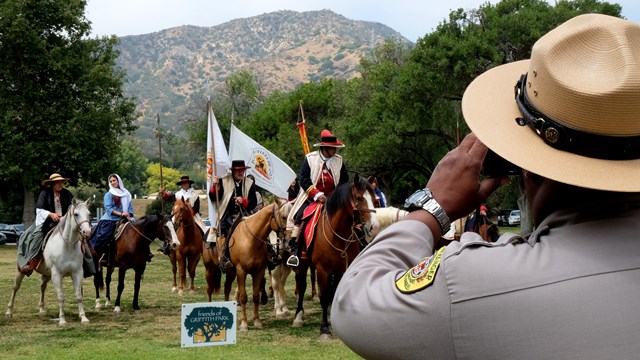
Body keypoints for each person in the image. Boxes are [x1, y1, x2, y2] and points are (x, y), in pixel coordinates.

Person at [331, 14, 640, 359]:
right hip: (323, 193)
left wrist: (432, 205)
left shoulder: (469, 278)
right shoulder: (315, 161)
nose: (331, 151)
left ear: (528, 164)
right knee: (303, 213)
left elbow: (353, 303)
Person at [286, 129, 349, 267]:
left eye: (336, 148)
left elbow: (344, 181)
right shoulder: (310, 159)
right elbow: (304, 180)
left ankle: (359, 247)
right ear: (324, 148)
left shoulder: (339, 161)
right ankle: (295, 252)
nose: (335, 151)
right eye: (333, 148)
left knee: (352, 216)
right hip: (312, 198)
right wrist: (317, 194)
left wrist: (337, 196)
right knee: (300, 216)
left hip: (335, 200)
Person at [17, 173, 75, 275]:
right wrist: (51, 214)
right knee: (36, 236)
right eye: (57, 183)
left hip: (65, 222)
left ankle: (87, 262)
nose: (60, 185)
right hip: (48, 223)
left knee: (81, 236)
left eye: (62, 182)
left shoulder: (67, 193)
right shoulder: (44, 194)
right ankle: (31, 261)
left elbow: (72, 206)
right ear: (52, 184)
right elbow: (39, 209)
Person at [208, 160, 257, 271]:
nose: (240, 173)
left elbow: (253, 202)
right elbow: (214, 198)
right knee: (223, 230)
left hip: (245, 213)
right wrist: (215, 187)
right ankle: (224, 258)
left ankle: (269, 254)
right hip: (226, 214)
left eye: (242, 170)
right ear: (233, 171)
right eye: (238, 171)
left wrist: (244, 201)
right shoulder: (223, 180)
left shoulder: (249, 183)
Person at [89, 174, 138, 263]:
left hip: (126, 218)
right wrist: (122, 213)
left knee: (139, 231)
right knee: (104, 237)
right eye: (110, 181)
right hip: (110, 219)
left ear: (118, 181)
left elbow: (130, 207)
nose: (112, 182)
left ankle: (144, 253)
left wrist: (129, 215)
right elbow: (109, 209)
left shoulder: (127, 194)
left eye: (114, 180)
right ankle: (103, 255)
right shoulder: (109, 194)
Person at [158, 175, 205, 254]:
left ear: (189, 184)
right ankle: (166, 244)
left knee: (202, 228)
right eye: (183, 183)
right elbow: (169, 197)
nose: (184, 184)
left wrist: (189, 214)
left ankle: (204, 245)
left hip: (192, 216)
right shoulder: (177, 194)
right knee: (170, 227)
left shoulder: (195, 195)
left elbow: (196, 207)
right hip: (177, 215)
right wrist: (163, 194)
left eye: (186, 183)